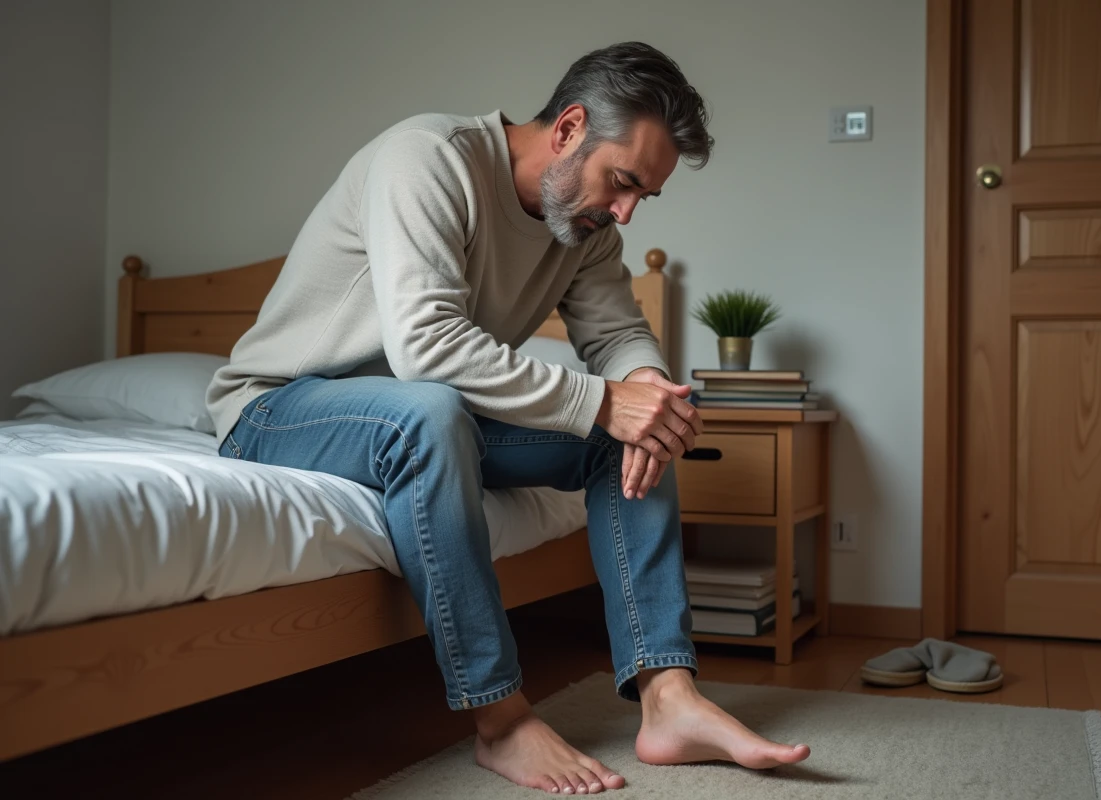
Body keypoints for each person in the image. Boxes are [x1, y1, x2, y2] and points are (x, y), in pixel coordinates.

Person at [206, 41, 809, 795]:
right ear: (569, 129)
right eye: (622, 182)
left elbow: (617, 335)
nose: (624, 212)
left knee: (622, 432)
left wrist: (646, 391)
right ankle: (501, 720)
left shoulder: (585, 231)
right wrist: (603, 399)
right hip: (282, 406)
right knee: (433, 412)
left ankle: (669, 698)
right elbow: (426, 345)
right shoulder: (426, 160)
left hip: (431, 417)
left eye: (643, 198)